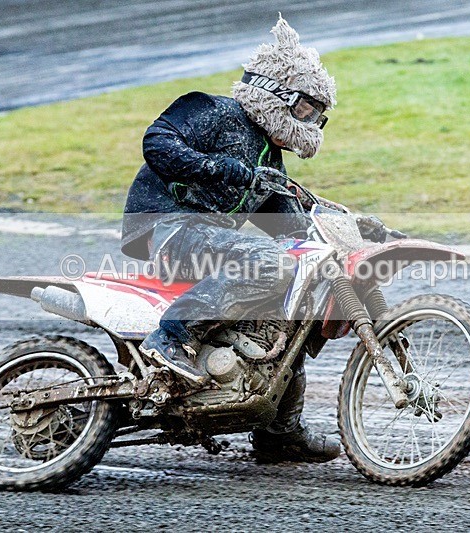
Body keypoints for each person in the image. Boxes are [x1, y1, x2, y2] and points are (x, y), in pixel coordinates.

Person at [122, 16, 356, 463]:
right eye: (306, 110)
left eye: (318, 116)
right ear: (277, 92)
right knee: (271, 263)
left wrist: (352, 234)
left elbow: (294, 229)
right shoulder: (213, 110)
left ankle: (279, 432)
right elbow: (157, 141)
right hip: (164, 227)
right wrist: (216, 168)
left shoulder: (270, 164)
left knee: (296, 291)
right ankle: (170, 338)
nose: (311, 123)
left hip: (205, 243)